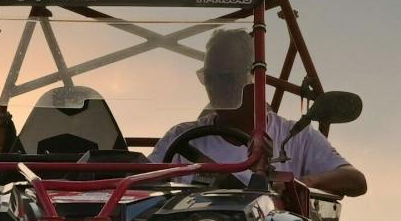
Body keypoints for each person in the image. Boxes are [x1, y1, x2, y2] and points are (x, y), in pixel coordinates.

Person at [156, 29, 367, 195]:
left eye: (226, 78)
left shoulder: (296, 136)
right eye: (209, 78)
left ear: (253, 78)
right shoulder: (180, 136)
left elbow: (356, 180)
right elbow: (139, 178)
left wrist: (302, 184)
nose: (214, 87)